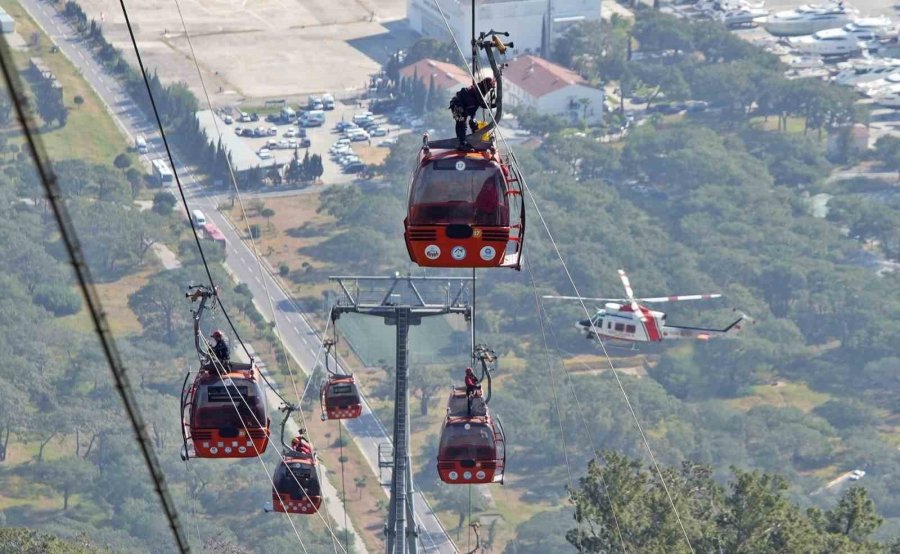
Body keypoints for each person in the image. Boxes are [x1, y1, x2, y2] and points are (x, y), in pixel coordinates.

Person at [449, 77, 496, 150]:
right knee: (461, 124)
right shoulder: (478, 90)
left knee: (460, 123)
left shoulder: (479, 89)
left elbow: (473, 106)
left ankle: (460, 141)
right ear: (485, 85)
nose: (489, 89)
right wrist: (495, 105)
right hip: (457, 106)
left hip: (458, 105)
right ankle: (462, 143)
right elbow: (483, 105)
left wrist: (472, 118)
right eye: (489, 87)